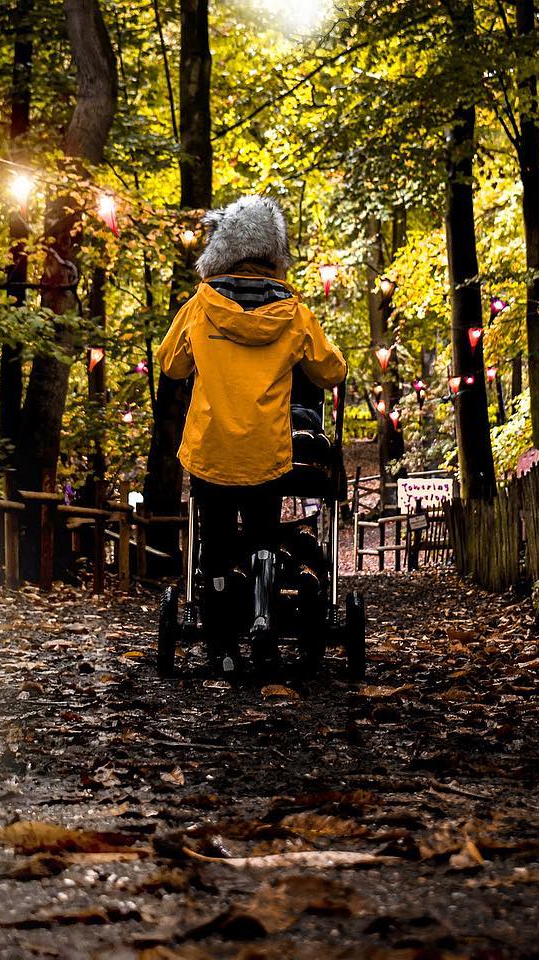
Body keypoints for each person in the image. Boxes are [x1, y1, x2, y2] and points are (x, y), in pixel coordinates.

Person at [156, 195, 346, 671]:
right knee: (263, 534)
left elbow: (170, 363)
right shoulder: (295, 312)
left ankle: (221, 645)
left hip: (211, 448)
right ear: (274, 254)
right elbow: (331, 372)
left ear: (221, 250)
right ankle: (263, 616)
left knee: (216, 544)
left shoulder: (200, 308)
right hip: (267, 449)